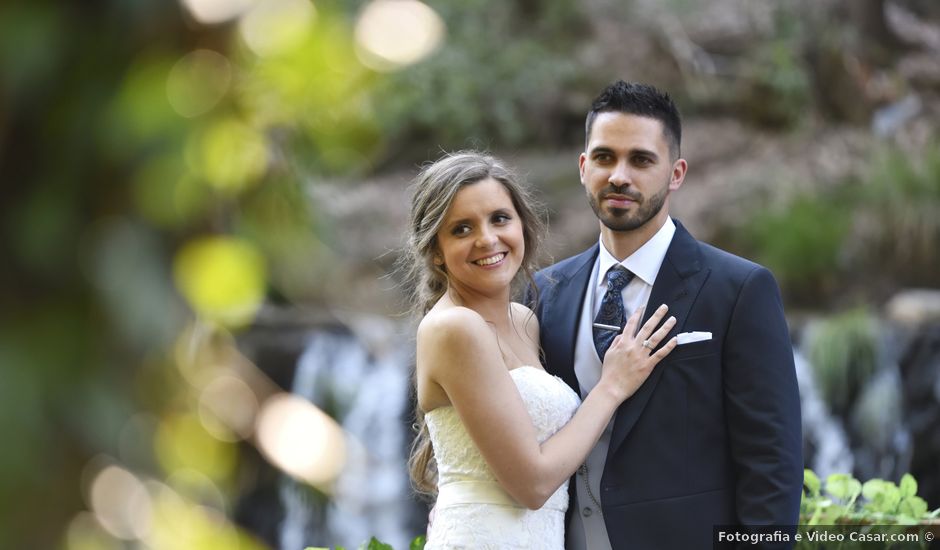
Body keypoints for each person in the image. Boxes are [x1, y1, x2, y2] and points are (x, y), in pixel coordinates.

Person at [527, 81, 803, 549]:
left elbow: (772, 464)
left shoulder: (739, 289)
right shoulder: (547, 290)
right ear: (582, 166)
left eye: (641, 160)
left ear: (675, 173)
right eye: (604, 157)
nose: (619, 176)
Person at [402, 151, 679, 549]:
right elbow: (532, 485)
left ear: (523, 226)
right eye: (461, 229)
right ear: (434, 250)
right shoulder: (455, 328)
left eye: (499, 218)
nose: (487, 239)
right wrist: (612, 386)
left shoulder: (525, 321)